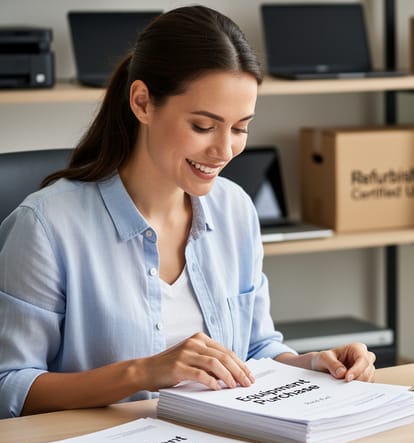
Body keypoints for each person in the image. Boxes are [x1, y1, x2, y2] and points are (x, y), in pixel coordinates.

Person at [0, 6, 375, 419]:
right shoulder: (47, 226)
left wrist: (315, 364)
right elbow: (10, 386)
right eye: (203, 126)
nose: (224, 150)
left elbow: (254, 351)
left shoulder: (234, 209)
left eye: (240, 128)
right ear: (142, 102)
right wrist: (145, 372)